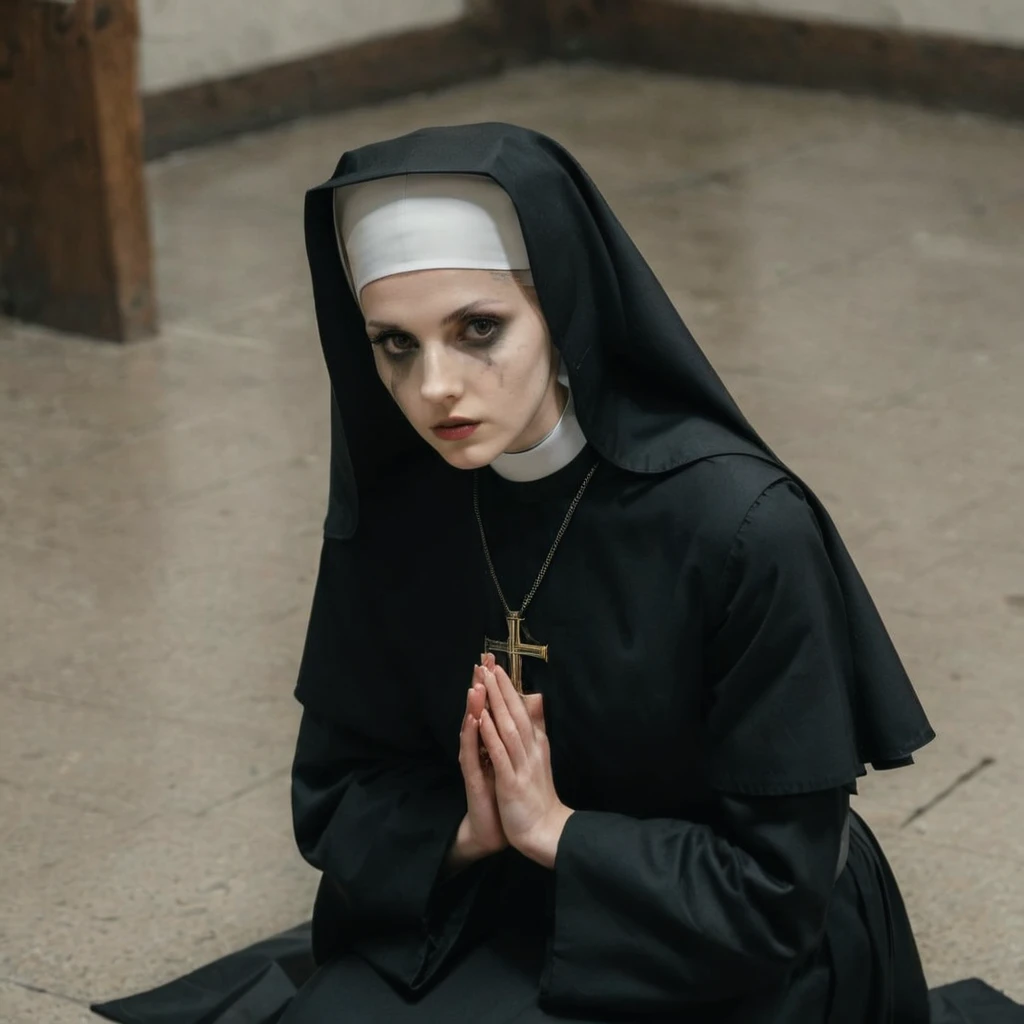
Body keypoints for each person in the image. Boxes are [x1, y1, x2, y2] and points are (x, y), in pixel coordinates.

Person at [91, 125, 1024, 1024]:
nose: (435, 389)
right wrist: (472, 832)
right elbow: (341, 788)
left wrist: (559, 832)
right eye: (396, 344)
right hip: (493, 894)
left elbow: (781, 887)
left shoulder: (742, 526)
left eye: (479, 329)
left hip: (732, 941)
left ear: (565, 308)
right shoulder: (403, 509)